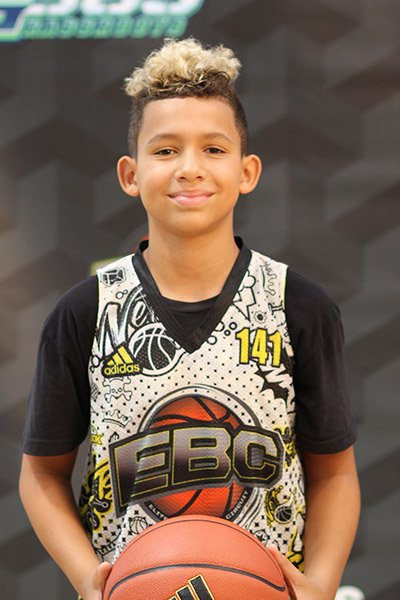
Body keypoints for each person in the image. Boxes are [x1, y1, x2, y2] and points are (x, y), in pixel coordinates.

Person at [19, 38, 360, 600]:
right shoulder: (87, 310)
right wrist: (87, 578)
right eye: (165, 150)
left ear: (247, 171)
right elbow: (41, 473)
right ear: (130, 174)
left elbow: (335, 473)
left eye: (214, 149)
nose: (190, 169)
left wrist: (321, 585)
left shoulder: (297, 305)